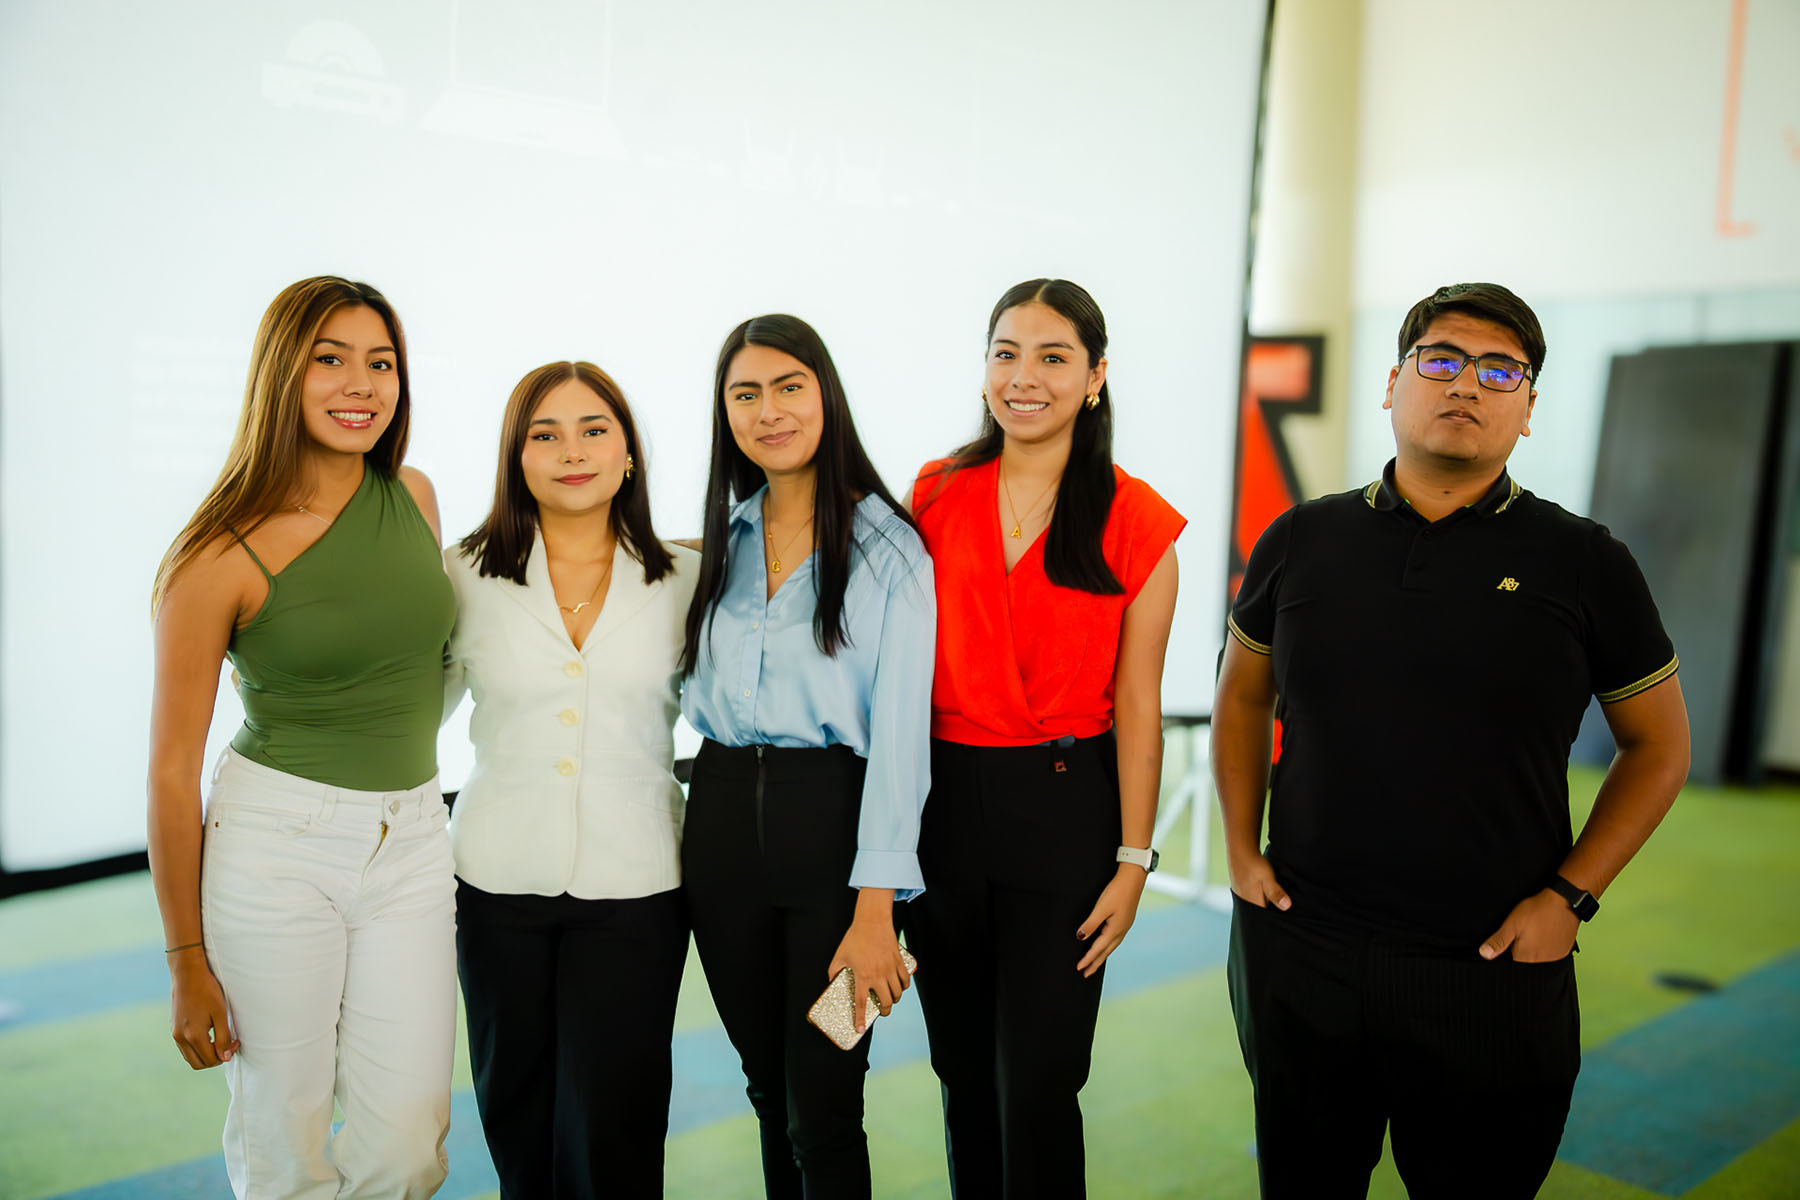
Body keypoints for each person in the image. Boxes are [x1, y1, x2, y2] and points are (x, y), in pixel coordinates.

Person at [1214, 282, 1692, 1199]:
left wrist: (1569, 898)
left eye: (1499, 370)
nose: (1466, 384)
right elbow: (1241, 698)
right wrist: (1240, 848)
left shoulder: (1586, 561)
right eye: (1441, 359)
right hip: (1302, 947)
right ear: (1393, 385)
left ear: (1528, 409)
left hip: (1492, 964)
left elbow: (1659, 748)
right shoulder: (1302, 540)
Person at [147, 276, 456, 1198]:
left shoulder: (415, 495)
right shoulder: (215, 557)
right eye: (331, 359)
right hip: (276, 847)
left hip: (413, 837)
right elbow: (169, 774)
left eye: (381, 363)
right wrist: (185, 960)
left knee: (409, 1140)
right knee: (286, 1139)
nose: (361, 384)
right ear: (282, 372)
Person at [905, 278, 1184, 1198]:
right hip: (942, 810)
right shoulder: (936, 493)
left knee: (1041, 1082)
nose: (1025, 377)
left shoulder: (1139, 523)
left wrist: (1134, 861)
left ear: (1096, 376)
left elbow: (1138, 704)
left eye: (1054, 356)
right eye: (1006, 353)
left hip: (1066, 811)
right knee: (962, 1075)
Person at [680, 313, 934, 1199]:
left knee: (824, 1103)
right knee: (766, 1090)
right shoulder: (724, 540)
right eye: (745, 393)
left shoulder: (890, 549)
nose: (769, 410)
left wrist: (877, 913)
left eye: (790, 386)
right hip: (718, 836)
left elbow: (902, 745)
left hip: (835, 848)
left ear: (825, 395)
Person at [443, 361, 698, 1198]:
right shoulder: (459, 576)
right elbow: (409, 711)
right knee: (517, 1121)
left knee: (617, 1130)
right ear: (517, 457)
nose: (571, 451)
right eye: (544, 434)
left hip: (638, 888)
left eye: (595, 430)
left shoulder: (688, 579)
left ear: (629, 452)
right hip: (494, 883)